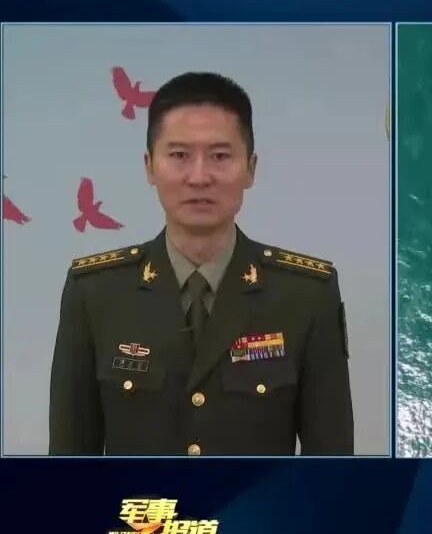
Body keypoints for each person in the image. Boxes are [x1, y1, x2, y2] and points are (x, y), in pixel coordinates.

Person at [48, 72, 354, 456]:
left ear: (251, 168)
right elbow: (69, 462)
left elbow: (330, 464)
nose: (199, 176)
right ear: (149, 166)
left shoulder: (306, 294)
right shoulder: (95, 292)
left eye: (220, 156)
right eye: (179, 155)